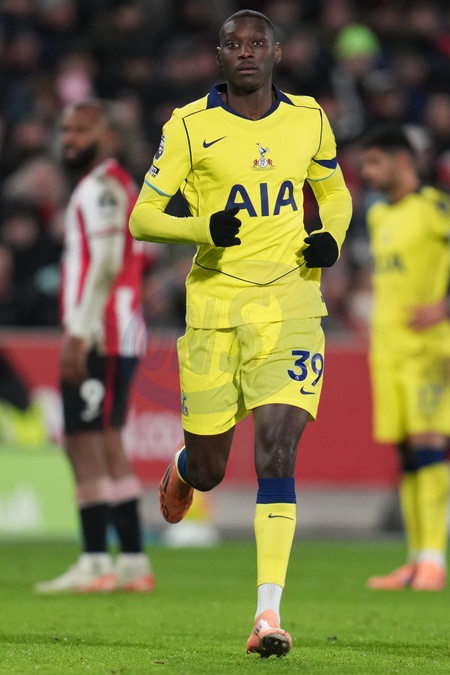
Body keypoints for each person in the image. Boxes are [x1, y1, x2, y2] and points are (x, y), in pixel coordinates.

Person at [130, 9, 352, 657]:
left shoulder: (308, 118)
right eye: (235, 44)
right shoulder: (188, 126)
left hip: (292, 305)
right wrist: (202, 228)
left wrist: (330, 237)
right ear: (219, 56)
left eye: (258, 43)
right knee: (210, 469)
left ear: (277, 53)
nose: (247, 52)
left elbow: (335, 194)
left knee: (277, 452)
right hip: (215, 311)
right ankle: (183, 467)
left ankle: (267, 614)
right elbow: (143, 216)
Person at [35, 99, 154, 593]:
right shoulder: (116, 185)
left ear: (108, 136)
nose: (69, 139)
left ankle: (95, 560)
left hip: (102, 332)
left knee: (84, 442)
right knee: (104, 441)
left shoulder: (102, 188)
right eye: (65, 130)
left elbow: (106, 263)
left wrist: (79, 334)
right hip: (113, 330)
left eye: (80, 131)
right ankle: (131, 563)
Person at [359, 125, 450, 591]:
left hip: (427, 350)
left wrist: (445, 307)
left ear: (401, 160)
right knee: (408, 455)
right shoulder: (378, 215)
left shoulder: (434, 208)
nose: (366, 172)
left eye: (374, 162)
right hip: (388, 351)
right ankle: (416, 560)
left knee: (429, 447)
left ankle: (434, 558)